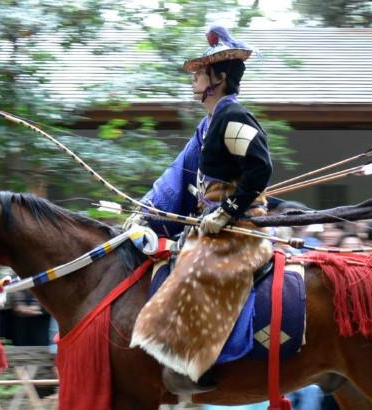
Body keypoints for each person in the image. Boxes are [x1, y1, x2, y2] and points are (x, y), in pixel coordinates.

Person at [129, 26, 273, 394]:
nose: (192, 79)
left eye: (199, 73)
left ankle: (201, 362)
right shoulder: (208, 125)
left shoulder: (233, 118)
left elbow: (260, 167)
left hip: (240, 229)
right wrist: (145, 211)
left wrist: (226, 211)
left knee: (196, 266)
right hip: (212, 225)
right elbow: (178, 174)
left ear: (219, 78)